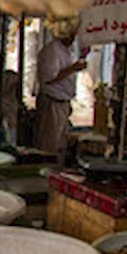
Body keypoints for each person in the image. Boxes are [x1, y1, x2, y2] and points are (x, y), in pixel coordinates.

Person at [35, 24, 86, 157]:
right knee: (49, 143)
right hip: (52, 101)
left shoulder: (67, 50)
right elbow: (49, 77)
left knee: (59, 142)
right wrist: (73, 68)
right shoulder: (52, 51)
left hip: (62, 101)